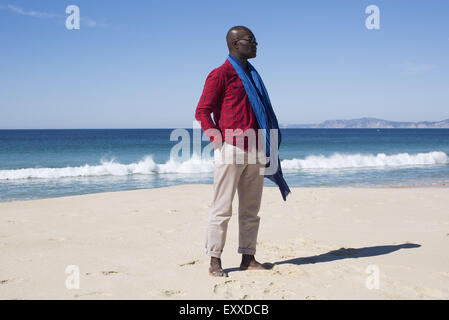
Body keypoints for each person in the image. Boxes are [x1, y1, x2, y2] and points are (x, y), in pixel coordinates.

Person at [195, 26, 289, 277]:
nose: (256, 44)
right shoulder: (220, 74)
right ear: (235, 44)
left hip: (257, 149)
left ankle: (248, 258)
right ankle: (214, 260)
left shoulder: (253, 76)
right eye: (251, 40)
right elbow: (203, 111)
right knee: (221, 207)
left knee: (251, 209)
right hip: (232, 149)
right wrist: (215, 135)